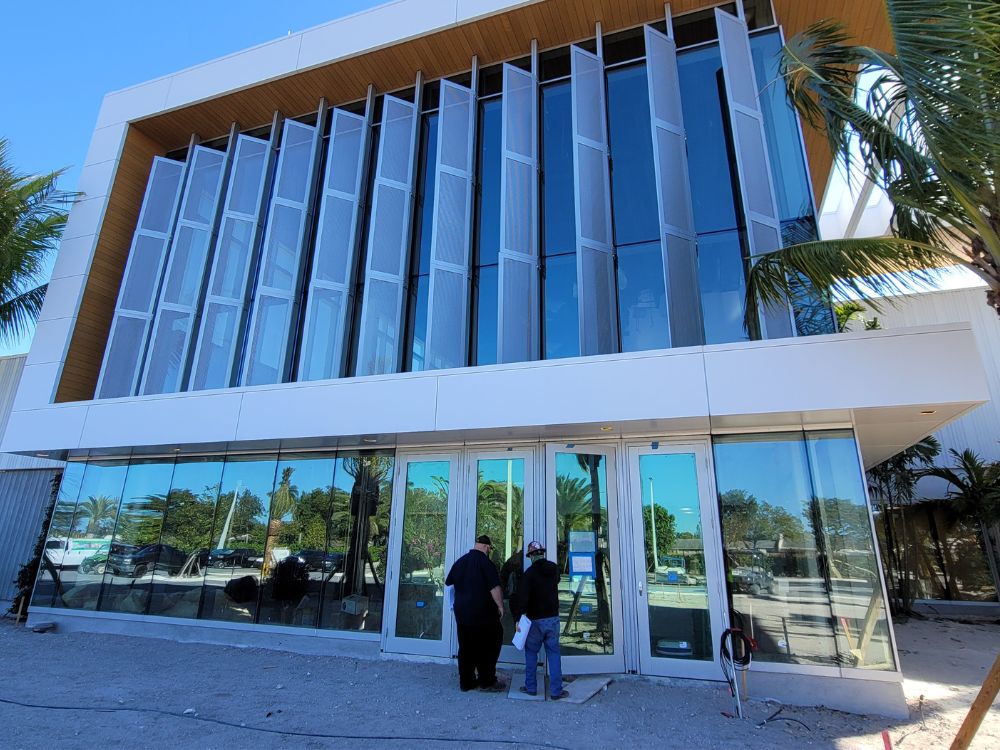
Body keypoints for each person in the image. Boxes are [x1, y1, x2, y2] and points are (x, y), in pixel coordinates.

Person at [445, 534, 505, 692]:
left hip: (463, 614)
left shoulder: (460, 562)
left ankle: (466, 682)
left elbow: (449, 585)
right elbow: (495, 588)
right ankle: (487, 681)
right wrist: (500, 606)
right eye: (490, 548)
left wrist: (453, 606)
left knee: (465, 648)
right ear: (486, 547)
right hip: (484, 615)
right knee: (490, 646)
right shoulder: (486, 563)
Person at [515, 540, 568, 700]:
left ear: (531, 556)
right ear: (543, 553)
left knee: (531, 653)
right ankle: (556, 691)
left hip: (535, 621)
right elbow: (557, 581)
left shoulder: (529, 574)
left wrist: (519, 618)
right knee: (553, 653)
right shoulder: (554, 569)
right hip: (552, 618)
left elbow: (522, 598)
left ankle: (531, 687)